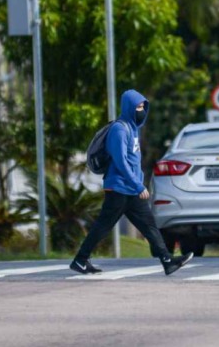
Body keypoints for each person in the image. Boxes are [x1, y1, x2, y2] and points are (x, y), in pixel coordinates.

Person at [71, 89, 193, 275]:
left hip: (130, 189)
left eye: (143, 106)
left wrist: (137, 183)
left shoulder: (133, 129)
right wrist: (138, 185)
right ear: (129, 107)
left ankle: (167, 261)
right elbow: (120, 162)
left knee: (149, 225)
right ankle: (80, 260)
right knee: (103, 226)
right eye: (138, 107)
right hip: (119, 188)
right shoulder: (119, 129)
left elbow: (132, 160)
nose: (142, 110)